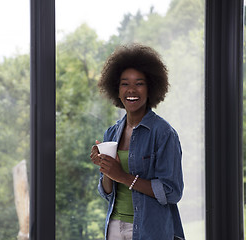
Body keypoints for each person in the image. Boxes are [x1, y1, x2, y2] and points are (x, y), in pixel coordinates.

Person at [90, 43, 185, 240]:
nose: (131, 90)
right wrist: (106, 168)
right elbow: (108, 192)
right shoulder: (112, 132)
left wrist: (123, 176)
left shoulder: (164, 133)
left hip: (150, 230)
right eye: (125, 83)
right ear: (116, 89)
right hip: (115, 227)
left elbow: (172, 192)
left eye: (139, 83)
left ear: (150, 88)